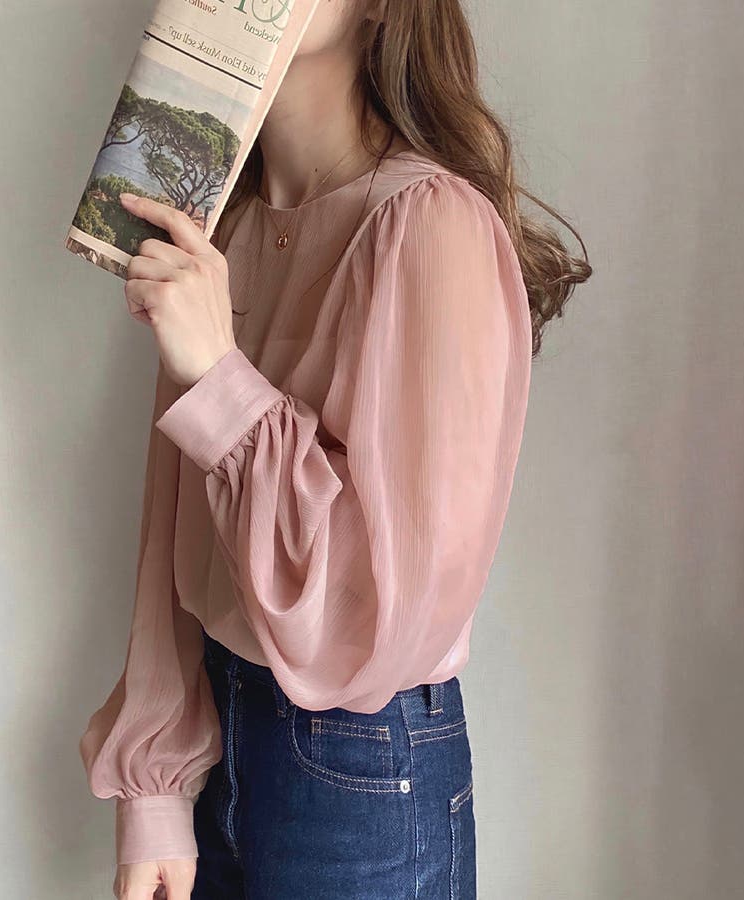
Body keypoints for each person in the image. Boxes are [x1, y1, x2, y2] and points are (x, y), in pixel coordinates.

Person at [80, 1, 591, 898]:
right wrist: (154, 791)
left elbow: (376, 611)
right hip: (219, 736)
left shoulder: (431, 224)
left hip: (360, 763)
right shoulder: (221, 231)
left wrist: (220, 378)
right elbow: (174, 529)